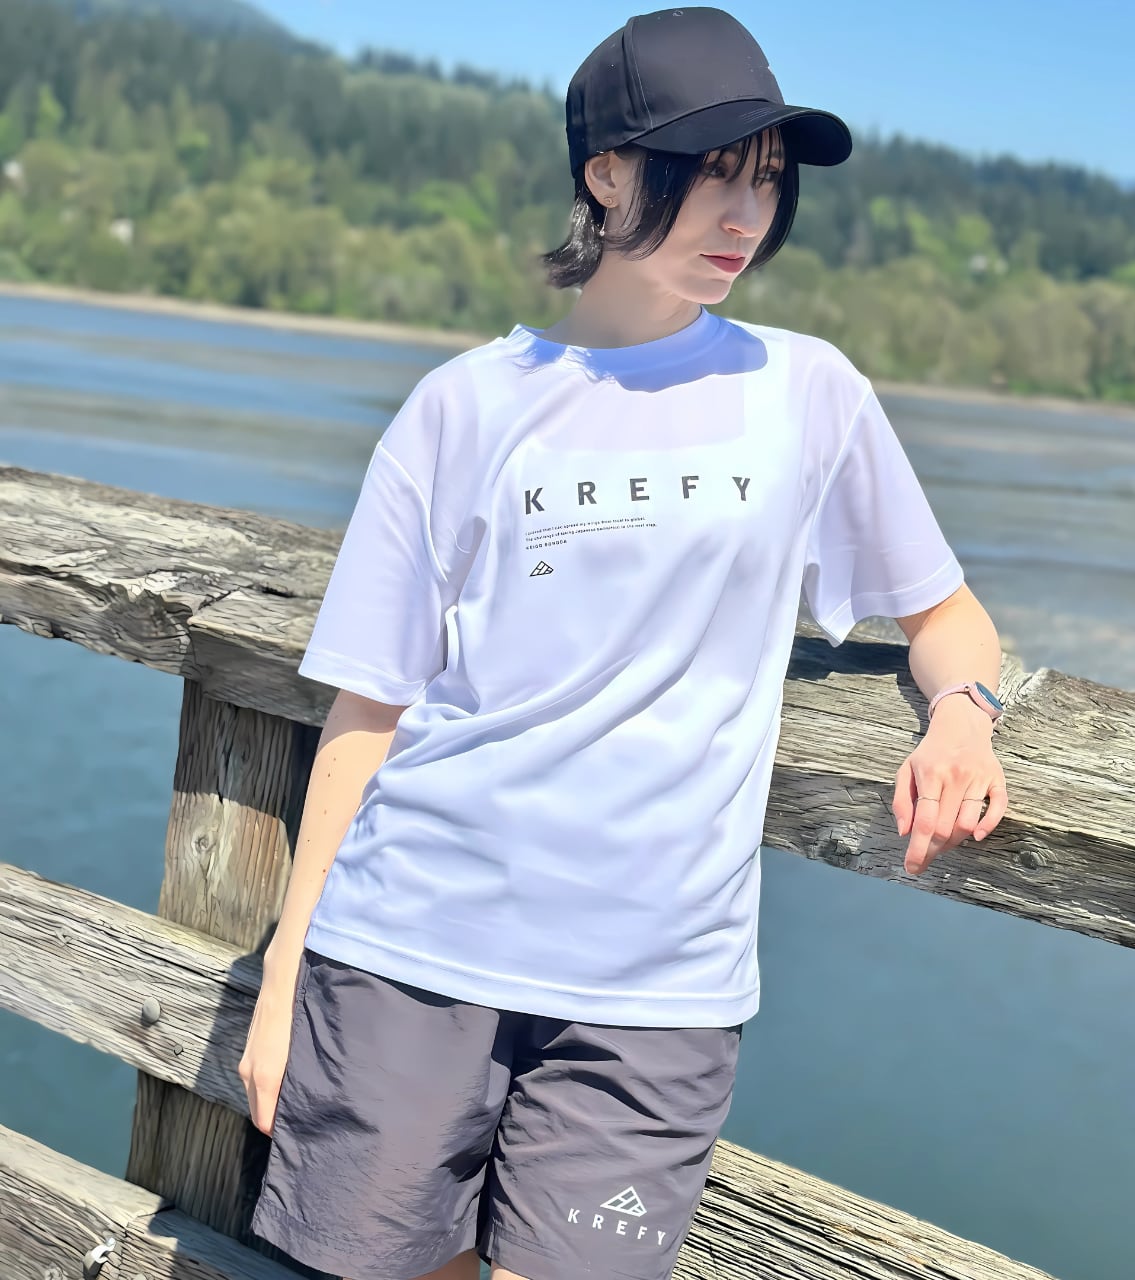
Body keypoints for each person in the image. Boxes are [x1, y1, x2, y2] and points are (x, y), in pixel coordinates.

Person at [240, 8, 1009, 1280]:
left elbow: (942, 613)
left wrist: (962, 716)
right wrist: (283, 976)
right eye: (712, 173)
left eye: (767, 178)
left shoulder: (806, 391)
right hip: (410, 945)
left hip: (657, 984)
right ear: (604, 174)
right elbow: (369, 707)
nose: (745, 214)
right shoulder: (462, 405)